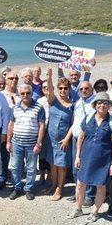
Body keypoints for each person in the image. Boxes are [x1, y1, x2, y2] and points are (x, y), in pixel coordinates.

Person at [72, 92, 112, 220]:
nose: (102, 105)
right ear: (95, 105)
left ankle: (95, 211)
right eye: (99, 102)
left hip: (104, 159)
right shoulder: (88, 118)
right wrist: (77, 156)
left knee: (101, 185)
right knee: (80, 183)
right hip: (85, 156)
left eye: (105, 103)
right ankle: (78, 208)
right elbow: (81, 137)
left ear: (109, 105)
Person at [7, 84, 45, 200]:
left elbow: (42, 126)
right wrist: (8, 142)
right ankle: (17, 188)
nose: (25, 95)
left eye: (28, 93)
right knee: (15, 167)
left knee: (31, 168)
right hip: (16, 143)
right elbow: (11, 125)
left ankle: (28, 189)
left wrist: (39, 143)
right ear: (19, 94)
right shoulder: (15, 108)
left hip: (32, 144)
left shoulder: (39, 107)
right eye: (22, 93)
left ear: (32, 93)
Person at [43, 68, 74, 201]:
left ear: (69, 89)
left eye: (65, 88)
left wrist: (67, 139)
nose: (62, 90)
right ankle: (53, 185)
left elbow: (73, 124)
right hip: (50, 140)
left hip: (63, 141)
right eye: (60, 88)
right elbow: (50, 90)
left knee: (61, 166)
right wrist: (49, 76)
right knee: (52, 164)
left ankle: (59, 189)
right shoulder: (53, 101)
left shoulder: (72, 105)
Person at [0, 71, 20, 188]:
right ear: (6, 80)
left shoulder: (22, 94)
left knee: (17, 157)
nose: (14, 80)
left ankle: (15, 179)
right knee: (3, 156)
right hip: (4, 130)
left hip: (18, 131)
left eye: (16, 78)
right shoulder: (0, 95)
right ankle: (2, 178)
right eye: (11, 78)